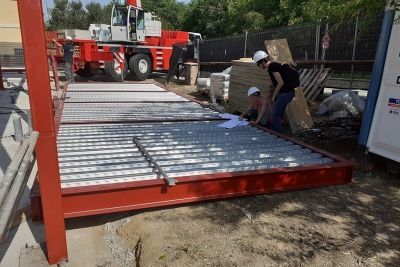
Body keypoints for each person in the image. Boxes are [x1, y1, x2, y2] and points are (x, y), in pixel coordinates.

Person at [253, 50, 295, 133]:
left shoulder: (272, 67)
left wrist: (274, 95)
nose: (258, 66)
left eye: (258, 64)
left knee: (275, 116)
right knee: (279, 114)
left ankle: (277, 135)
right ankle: (279, 131)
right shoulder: (274, 65)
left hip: (285, 94)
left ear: (262, 62)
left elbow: (280, 82)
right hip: (287, 93)